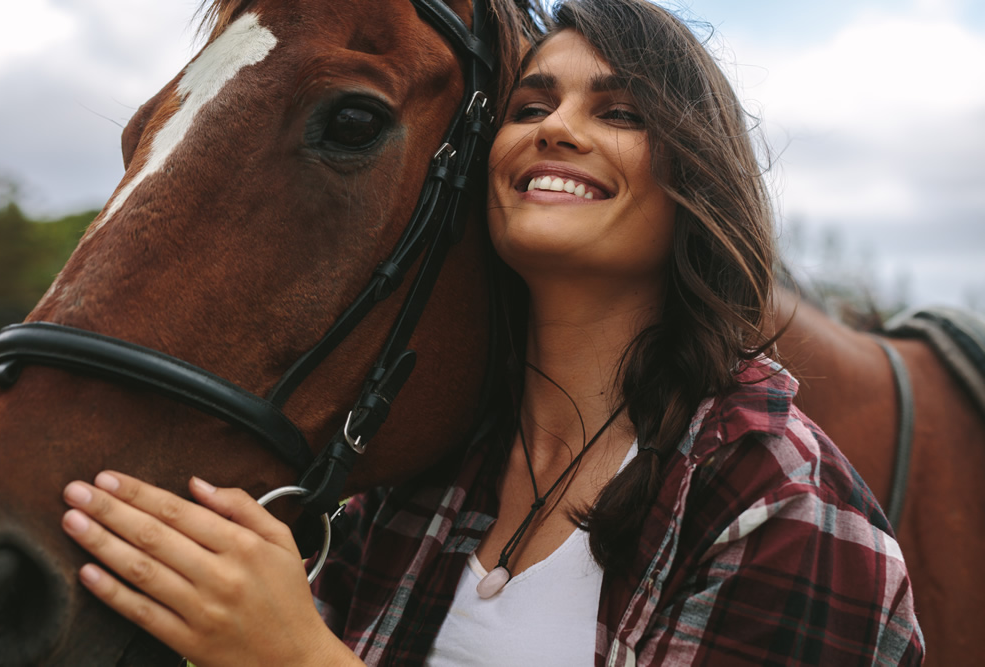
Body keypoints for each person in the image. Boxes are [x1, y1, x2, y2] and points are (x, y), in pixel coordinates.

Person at [60, 0, 924, 665]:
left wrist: (298, 654)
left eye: (618, 113)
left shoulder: (783, 502)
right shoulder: (416, 484)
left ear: (697, 180)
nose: (556, 127)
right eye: (531, 104)